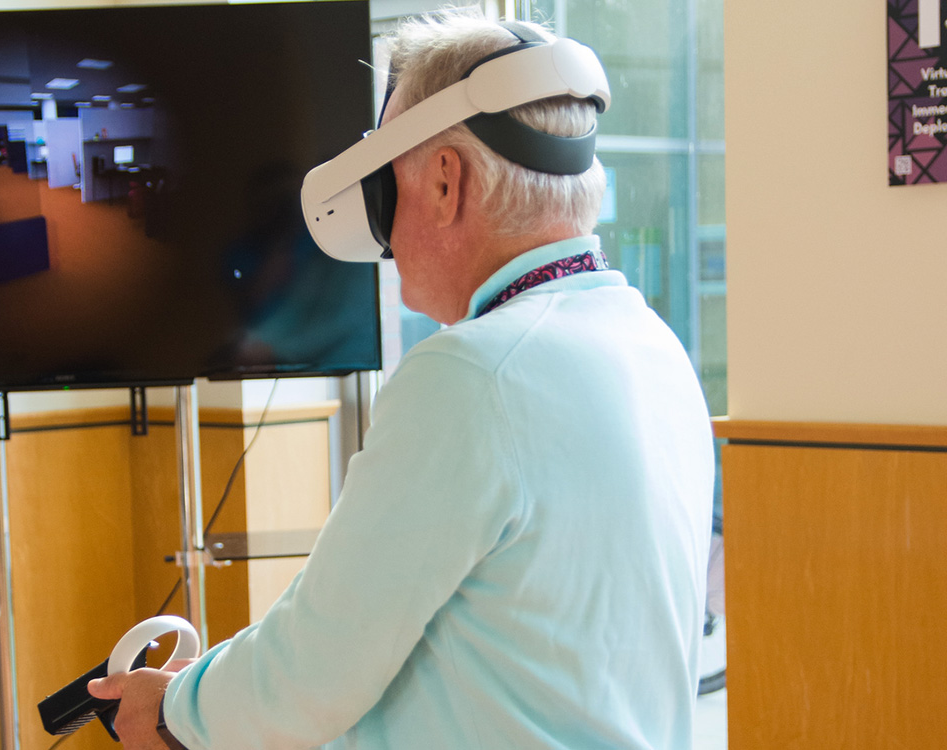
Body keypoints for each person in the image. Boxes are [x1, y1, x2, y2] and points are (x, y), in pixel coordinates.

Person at [89, 10, 715, 749]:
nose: (383, 233)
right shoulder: (652, 348)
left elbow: (309, 676)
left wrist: (172, 709)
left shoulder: (474, 377)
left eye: (389, 189)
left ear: (446, 181)